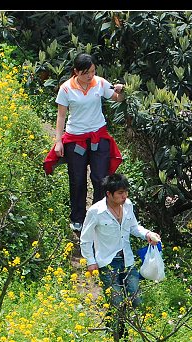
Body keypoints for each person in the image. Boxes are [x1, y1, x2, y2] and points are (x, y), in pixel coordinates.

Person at [43, 52, 125, 232]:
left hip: (98, 136)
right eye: (86, 73)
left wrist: (122, 90)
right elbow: (61, 115)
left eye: (93, 71)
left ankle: (97, 216)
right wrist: (58, 141)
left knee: (100, 179)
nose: (90, 76)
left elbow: (117, 98)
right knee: (77, 179)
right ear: (76, 72)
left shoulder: (100, 83)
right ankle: (77, 218)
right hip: (76, 138)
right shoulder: (66, 89)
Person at [79, 173, 160, 333]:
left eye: (126, 192)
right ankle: (116, 334)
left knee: (136, 299)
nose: (125, 196)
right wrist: (90, 261)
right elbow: (85, 238)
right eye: (120, 193)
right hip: (108, 262)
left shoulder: (128, 205)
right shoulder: (96, 211)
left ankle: (120, 327)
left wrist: (148, 234)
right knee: (116, 300)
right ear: (109, 194)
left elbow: (134, 227)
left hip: (127, 260)